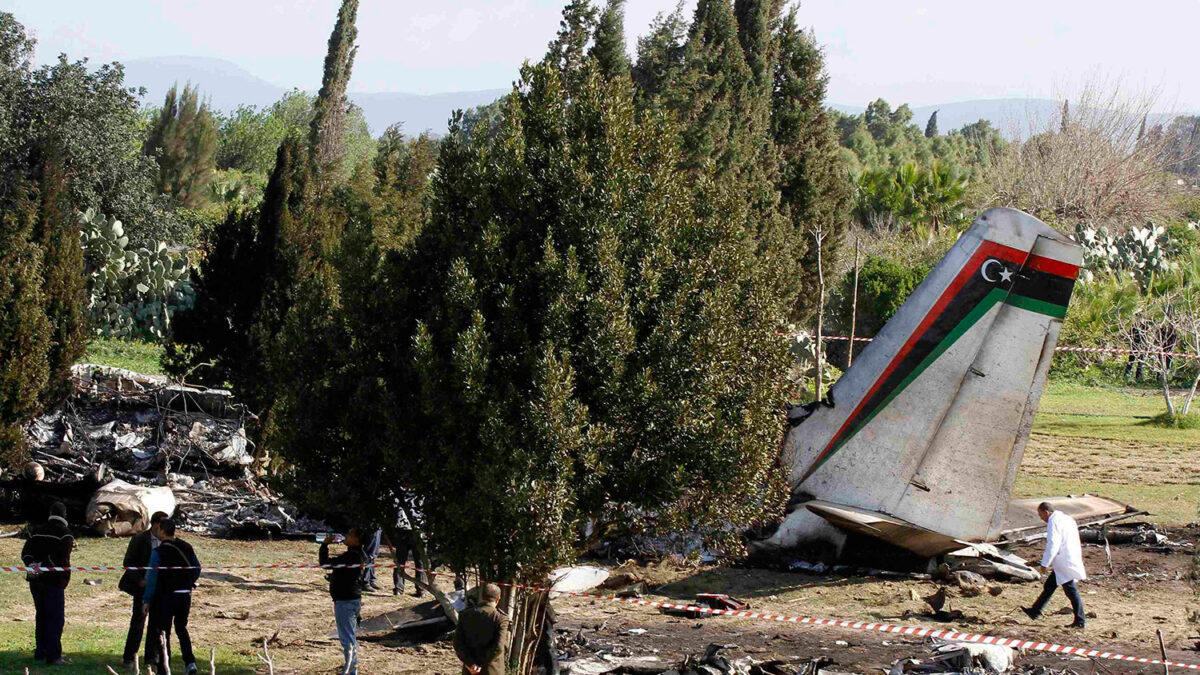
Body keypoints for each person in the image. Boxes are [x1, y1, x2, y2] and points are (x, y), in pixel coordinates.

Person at [143, 518, 201, 674]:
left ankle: (163, 666)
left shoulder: (158, 552)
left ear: (163, 530)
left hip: (166, 596)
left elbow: (152, 577)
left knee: (163, 632)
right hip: (185, 595)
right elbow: (197, 568)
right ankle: (190, 662)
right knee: (181, 628)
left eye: (158, 529)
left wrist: (147, 600)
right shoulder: (187, 546)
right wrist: (188, 581)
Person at [21, 501, 74, 665]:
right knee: (56, 619)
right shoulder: (65, 534)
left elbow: (26, 554)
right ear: (64, 515)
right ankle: (54, 655)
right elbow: (61, 560)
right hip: (54, 582)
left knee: (41, 616)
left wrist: (35, 568)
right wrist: (47, 568)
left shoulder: (36, 531)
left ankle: (41, 651)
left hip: (36, 581)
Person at [1023, 502, 1087, 629]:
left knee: (1070, 589)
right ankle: (1035, 611)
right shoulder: (1066, 518)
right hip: (1069, 556)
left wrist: (1045, 563)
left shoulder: (1054, 522)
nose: (1041, 518)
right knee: (1050, 585)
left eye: (1040, 515)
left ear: (1046, 512)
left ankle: (1080, 621)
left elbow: (1053, 544)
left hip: (1064, 560)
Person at [119, 511, 169, 670]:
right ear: (154, 524)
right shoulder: (139, 539)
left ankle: (151, 659)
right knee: (138, 623)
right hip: (142, 588)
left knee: (156, 624)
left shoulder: (168, 541)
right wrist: (139, 580)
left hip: (160, 589)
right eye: (162, 524)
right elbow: (128, 563)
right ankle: (129, 658)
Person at [322, 527, 367, 675]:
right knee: (349, 635)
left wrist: (325, 545)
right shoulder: (358, 555)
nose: (346, 536)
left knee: (347, 638)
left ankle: (350, 670)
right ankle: (351, 668)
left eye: (349, 534)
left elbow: (325, 563)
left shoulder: (352, 557)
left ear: (356, 539)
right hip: (351, 599)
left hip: (346, 601)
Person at [454, 583, 509, 675]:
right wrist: (479, 664)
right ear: (498, 599)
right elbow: (498, 647)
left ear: (482, 596)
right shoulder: (500, 618)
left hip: (469, 671)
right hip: (492, 670)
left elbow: (457, 644)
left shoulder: (465, 615)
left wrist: (471, 664)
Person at [390, 507, 428, 597]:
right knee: (401, 561)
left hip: (415, 529)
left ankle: (420, 589)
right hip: (404, 529)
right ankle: (399, 589)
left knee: (418, 561)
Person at [360, 526, 383, 592]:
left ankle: (371, 580)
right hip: (371, 527)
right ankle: (365, 582)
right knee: (369, 555)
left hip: (378, 528)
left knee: (373, 555)